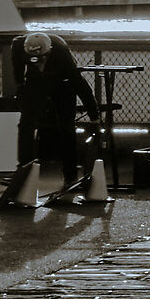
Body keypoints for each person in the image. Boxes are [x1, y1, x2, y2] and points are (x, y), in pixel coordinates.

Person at [13, 33, 99, 193]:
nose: (39, 63)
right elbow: (17, 71)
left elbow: (80, 84)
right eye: (34, 60)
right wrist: (20, 87)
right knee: (26, 123)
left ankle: (70, 174)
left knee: (66, 127)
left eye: (42, 59)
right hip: (35, 81)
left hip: (61, 82)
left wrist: (94, 115)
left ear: (50, 52)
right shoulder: (18, 47)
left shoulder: (62, 54)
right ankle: (23, 170)